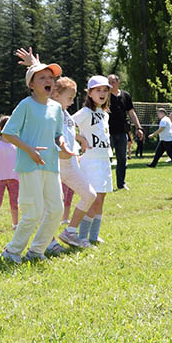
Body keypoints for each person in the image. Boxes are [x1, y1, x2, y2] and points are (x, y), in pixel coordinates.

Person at [0, 59, 68, 264]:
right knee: (33, 212)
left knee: (56, 210)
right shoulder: (25, 105)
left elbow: (58, 134)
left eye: (50, 78)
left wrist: (62, 143)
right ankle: (11, 252)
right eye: (42, 78)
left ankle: (36, 251)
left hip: (51, 165)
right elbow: (8, 133)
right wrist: (29, 150)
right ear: (31, 84)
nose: (48, 81)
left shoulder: (56, 108)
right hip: (29, 164)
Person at [48, 77, 97, 250]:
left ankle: (70, 231)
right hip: (54, 164)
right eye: (69, 98)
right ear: (55, 94)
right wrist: (61, 149)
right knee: (53, 206)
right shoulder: (49, 111)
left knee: (90, 194)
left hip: (70, 164)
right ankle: (49, 242)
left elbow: (68, 132)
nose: (71, 102)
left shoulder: (65, 113)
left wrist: (80, 139)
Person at [72, 76, 115, 245]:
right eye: (98, 90)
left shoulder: (104, 114)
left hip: (104, 160)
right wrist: (80, 138)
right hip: (91, 162)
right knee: (94, 199)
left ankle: (94, 235)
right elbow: (65, 125)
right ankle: (82, 237)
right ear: (89, 93)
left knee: (101, 199)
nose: (102, 93)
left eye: (105, 90)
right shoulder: (85, 112)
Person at [106, 74, 143, 190]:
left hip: (122, 132)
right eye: (109, 82)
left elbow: (131, 113)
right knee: (106, 159)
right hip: (107, 133)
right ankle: (105, 184)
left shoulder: (125, 95)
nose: (110, 84)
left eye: (113, 82)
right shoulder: (104, 96)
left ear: (118, 82)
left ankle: (121, 184)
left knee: (122, 159)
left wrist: (138, 127)